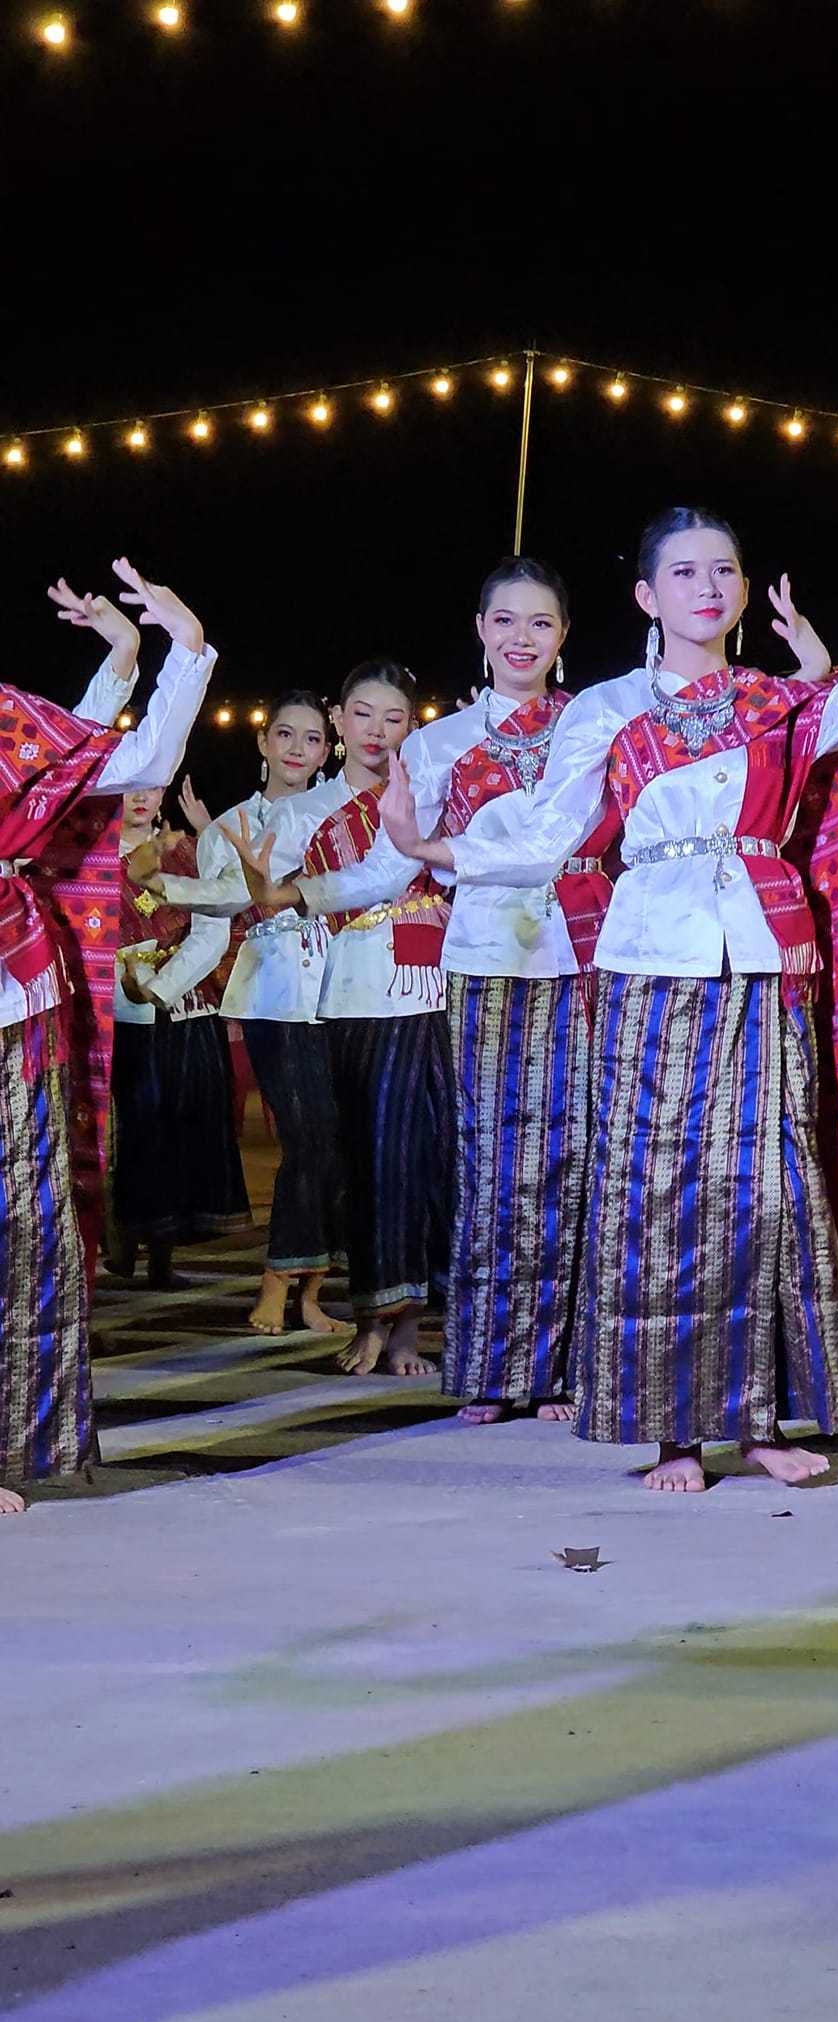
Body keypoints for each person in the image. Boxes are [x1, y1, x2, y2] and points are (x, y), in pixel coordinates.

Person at [377, 457, 838, 1493]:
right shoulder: (606, 707)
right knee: (660, 1189)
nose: (708, 586)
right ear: (647, 595)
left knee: (769, 1185)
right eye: (684, 571)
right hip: (650, 959)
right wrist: (433, 849)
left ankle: (763, 1417)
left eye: (723, 569)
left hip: (761, 958)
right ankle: (674, 1430)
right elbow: (546, 833)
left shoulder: (779, 701)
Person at [246, 559, 618, 1423]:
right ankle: (493, 1364)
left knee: (574, 1156)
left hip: (582, 951)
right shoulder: (436, 744)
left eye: (541, 622)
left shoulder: (592, 724)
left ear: (563, 635)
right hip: (483, 958)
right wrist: (296, 893)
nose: (522, 637)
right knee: (485, 1162)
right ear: (480, 629)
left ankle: (563, 1362)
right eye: (505, 620)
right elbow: (390, 865)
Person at [1, 562, 217, 1516]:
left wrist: (177, 652)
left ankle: (11, 1442)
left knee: (23, 1223)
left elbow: (105, 765)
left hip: (13, 997)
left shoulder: (7, 720)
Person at [225, 661, 454, 1377]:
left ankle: (408, 1325)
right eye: (362, 714)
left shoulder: (429, 794)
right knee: (361, 1162)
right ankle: (369, 1316)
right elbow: (263, 894)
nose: (376, 731)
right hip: (346, 991)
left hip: (425, 988)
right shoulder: (302, 812)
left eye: (393, 717)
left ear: (411, 725)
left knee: (418, 1159)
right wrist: (262, 891)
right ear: (339, 720)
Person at [126, 690, 348, 1335]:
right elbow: (215, 920)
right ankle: (277, 1282)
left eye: (311, 738)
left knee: (335, 1144)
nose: (297, 749)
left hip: (344, 991)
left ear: (326, 750)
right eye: (285, 735)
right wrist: (163, 988)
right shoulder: (228, 827)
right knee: (305, 1137)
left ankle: (313, 1293)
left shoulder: (342, 813)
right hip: (272, 993)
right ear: (263, 742)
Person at [106, 788, 251, 1286]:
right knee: (127, 1130)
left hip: (184, 1004)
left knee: (178, 1128)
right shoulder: (89, 857)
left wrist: (163, 986)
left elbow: (213, 929)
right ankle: (121, 1236)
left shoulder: (187, 851)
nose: (141, 797)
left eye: (153, 786)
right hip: (114, 1009)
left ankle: (162, 1253)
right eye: (132, 784)